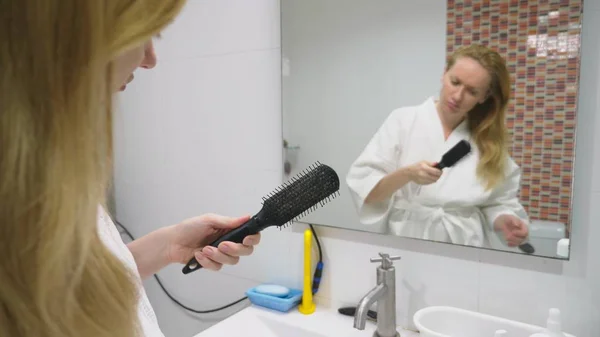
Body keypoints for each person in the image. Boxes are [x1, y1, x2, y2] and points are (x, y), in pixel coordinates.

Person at [0, 1, 260, 337]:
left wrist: (167, 245)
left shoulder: (47, 167)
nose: (150, 59)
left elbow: (69, 288)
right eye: (144, 35)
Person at [346, 44, 529, 249]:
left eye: (472, 91)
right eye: (455, 82)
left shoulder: (488, 142)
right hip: (407, 237)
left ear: (483, 97)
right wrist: (407, 174)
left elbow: (498, 202)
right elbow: (367, 193)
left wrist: (503, 220)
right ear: (444, 74)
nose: (457, 96)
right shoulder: (403, 121)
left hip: (464, 243)